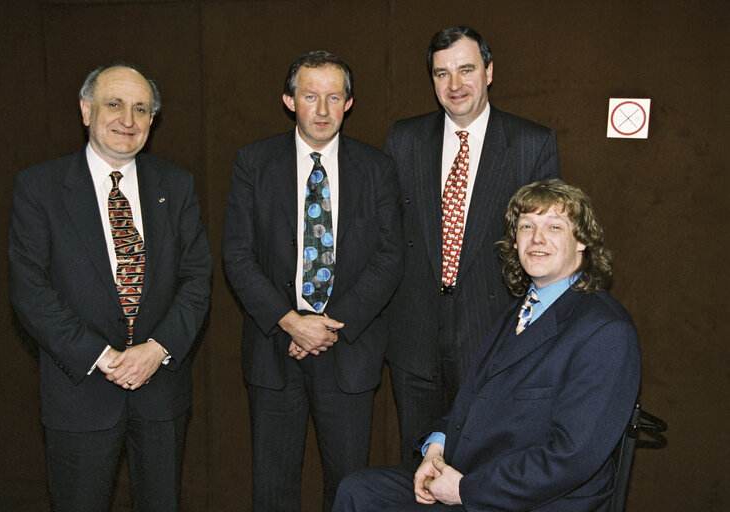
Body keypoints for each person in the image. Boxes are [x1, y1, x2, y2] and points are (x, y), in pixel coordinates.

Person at [333, 179, 641, 511]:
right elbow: (473, 401)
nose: (537, 239)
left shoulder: (605, 330)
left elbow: (571, 458)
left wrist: (467, 489)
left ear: (582, 240)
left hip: (536, 499)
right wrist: (436, 448)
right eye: (526, 226)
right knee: (359, 491)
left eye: (554, 226)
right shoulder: (520, 309)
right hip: (474, 474)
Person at [8, 64, 212, 512]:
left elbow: (197, 279)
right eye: (114, 104)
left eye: (142, 109)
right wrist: (103, 357)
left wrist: (157, 348)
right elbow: (31, 291)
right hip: (79, 393)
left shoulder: (176, 185)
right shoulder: (38, 188)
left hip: (161, 392)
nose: (128, 120)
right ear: (85, 110)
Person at [221, 50, 403, 511]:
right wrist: (290, 322)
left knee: (348, 488)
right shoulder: (253, 162)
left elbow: (390, 258)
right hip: (273, 350)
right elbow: (237, 257)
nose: (322, 111)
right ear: (289, 100)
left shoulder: (377, 168)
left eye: (333, 98)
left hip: (348, 351)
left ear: (349, 103)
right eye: (310, 96)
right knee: (273, 488)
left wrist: (327, 325)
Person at [384, 25, 561, 463]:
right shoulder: (402, 140)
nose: (455, 84)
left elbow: (548, 247)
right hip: (414, 341)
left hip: (493, 338)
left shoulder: (530, 143)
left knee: (481, 472)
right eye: (442, 74)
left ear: (489, 71)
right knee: (418, 471)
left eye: (466, 69)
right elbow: (384, 237)